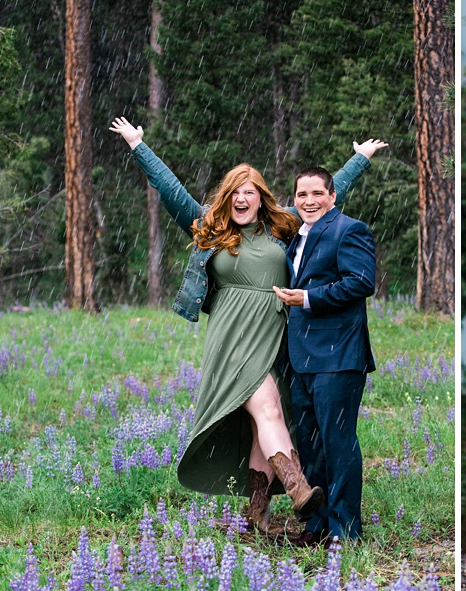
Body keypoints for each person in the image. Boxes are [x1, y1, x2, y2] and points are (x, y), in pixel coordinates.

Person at [109, 117, 387, 540]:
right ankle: (298, 489)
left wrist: (359, 160)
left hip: (276, 336)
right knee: (268, 408)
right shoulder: (209, 226)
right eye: (236, 193)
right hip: (233, 338)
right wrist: (138, 146)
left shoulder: (281, 224)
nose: (243, 199)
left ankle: (256, 515)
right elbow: (170, 191)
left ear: (261, 199)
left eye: (250, 193)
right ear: (227, 198)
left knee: (262, 419)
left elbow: (324, 200)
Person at [272, 166, 377, 545]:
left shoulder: (349, 229)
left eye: (317, 193)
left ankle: (345, 532)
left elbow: (362, 282)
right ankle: (316, 526)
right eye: (302, 195)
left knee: (338, 443)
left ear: (333, 196)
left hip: (339, 355)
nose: (309, 201)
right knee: (311, 444)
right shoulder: (296, 237)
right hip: (301, 355)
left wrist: (310, 298)